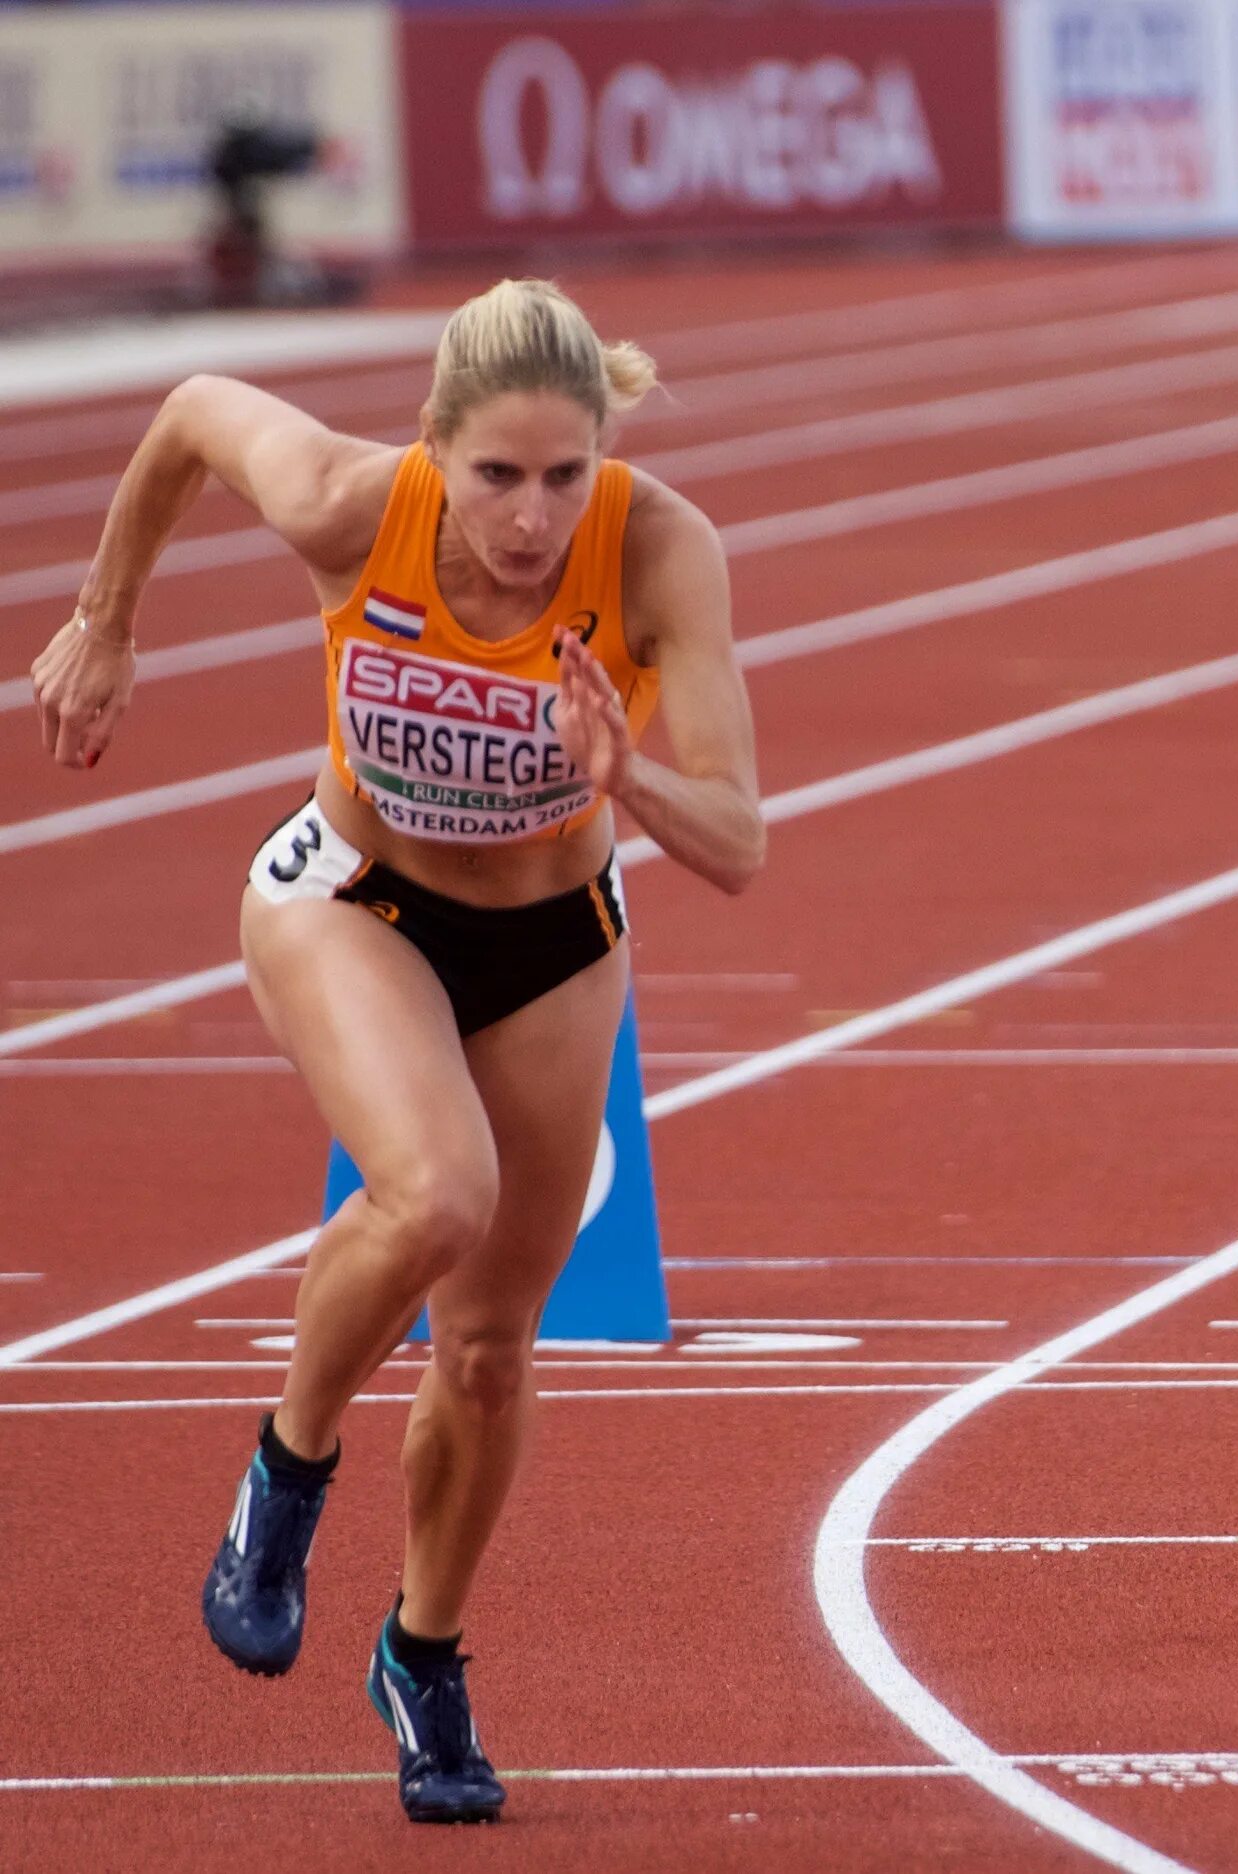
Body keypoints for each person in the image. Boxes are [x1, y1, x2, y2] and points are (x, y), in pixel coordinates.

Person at [27, 280, 763, 1814]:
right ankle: (285, 1480)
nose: (531, 516)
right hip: (354, 894)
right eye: (497, 475)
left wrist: (626, 777)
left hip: (556, 937)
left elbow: (742, 839)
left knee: (492, 1351)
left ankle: (423, 1652)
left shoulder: (660, 550)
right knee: (436, 1191)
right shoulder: (353, 504)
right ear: (436, 448)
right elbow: (185, 417)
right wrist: (108, 619)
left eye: (566, 476)